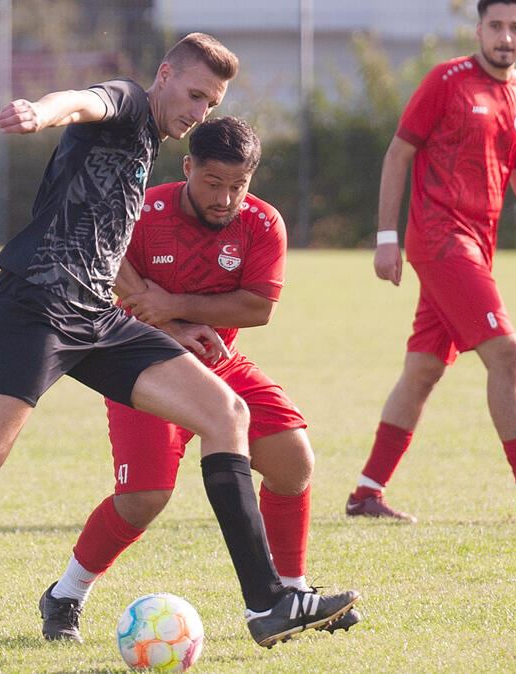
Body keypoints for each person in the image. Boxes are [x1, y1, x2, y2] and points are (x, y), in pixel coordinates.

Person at [0, 33, 358, 647]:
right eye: (193, 94)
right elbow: (84, 101)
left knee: (226, 411)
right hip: (36, 305)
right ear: (163, 77)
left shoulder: (154, 143)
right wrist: (39, 112)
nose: (198, 111)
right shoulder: (130, 104)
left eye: (210, 103)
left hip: (97, 316)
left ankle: (267, 603)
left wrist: (176, 324)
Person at [37, 116, 360, 643]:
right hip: (142, 365)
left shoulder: (261, 223)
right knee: (144, 498)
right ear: (188, 167)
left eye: (238, 186)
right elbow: (106, 261)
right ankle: (65, 594)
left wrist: (178, 308)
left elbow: (258, 306)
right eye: (213, 183)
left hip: (221, 363)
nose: (225, 198)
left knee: (293, 459)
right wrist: (167, 323)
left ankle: (293, 593)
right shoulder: (144, 212)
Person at [345, 0, 516, 523]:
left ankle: (365, 494)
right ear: (479, 29)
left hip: (476, 245)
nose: (505, 36)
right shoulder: (446, 80)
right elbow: (399, 153)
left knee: (423, 370)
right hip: (440, 241)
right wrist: (387, 236)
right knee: (506, 353)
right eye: (496, 26)